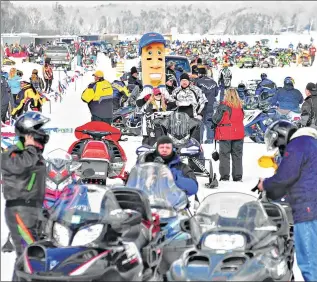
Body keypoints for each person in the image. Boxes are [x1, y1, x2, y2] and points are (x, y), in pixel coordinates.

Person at [256, 120, 317, 282]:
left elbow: (286, 176)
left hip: (308, 206)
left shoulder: (298, 144)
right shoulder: (307, 142)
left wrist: (265, 184)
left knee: (308, 257)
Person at [1, 111, 50, 280]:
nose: (43, 133)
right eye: (39, 129)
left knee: (32, 255)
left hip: (32, 209)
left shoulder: (33, 154)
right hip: (20, 210)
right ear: (28, 133)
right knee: (28, 255)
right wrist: (30, 148)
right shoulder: (13, 154)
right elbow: (19, 167)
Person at [211, 88, 244, 181]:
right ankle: (237, 177)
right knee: (237, 155)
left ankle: (225, 176)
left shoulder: (223, 106)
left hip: (225, 134)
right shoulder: (240, 106)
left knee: (224, 156)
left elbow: (216, 119)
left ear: (227, 95)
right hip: (238, 133)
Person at [195, 66, 219, 144]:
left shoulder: (198, 81)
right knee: (209, 121)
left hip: (201, 105)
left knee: (200, 121)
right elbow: (216, 93)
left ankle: (200, 140)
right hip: (211, 104)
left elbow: (196, 94)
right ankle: (210, 139)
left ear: (199, 73)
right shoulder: (213, 81)